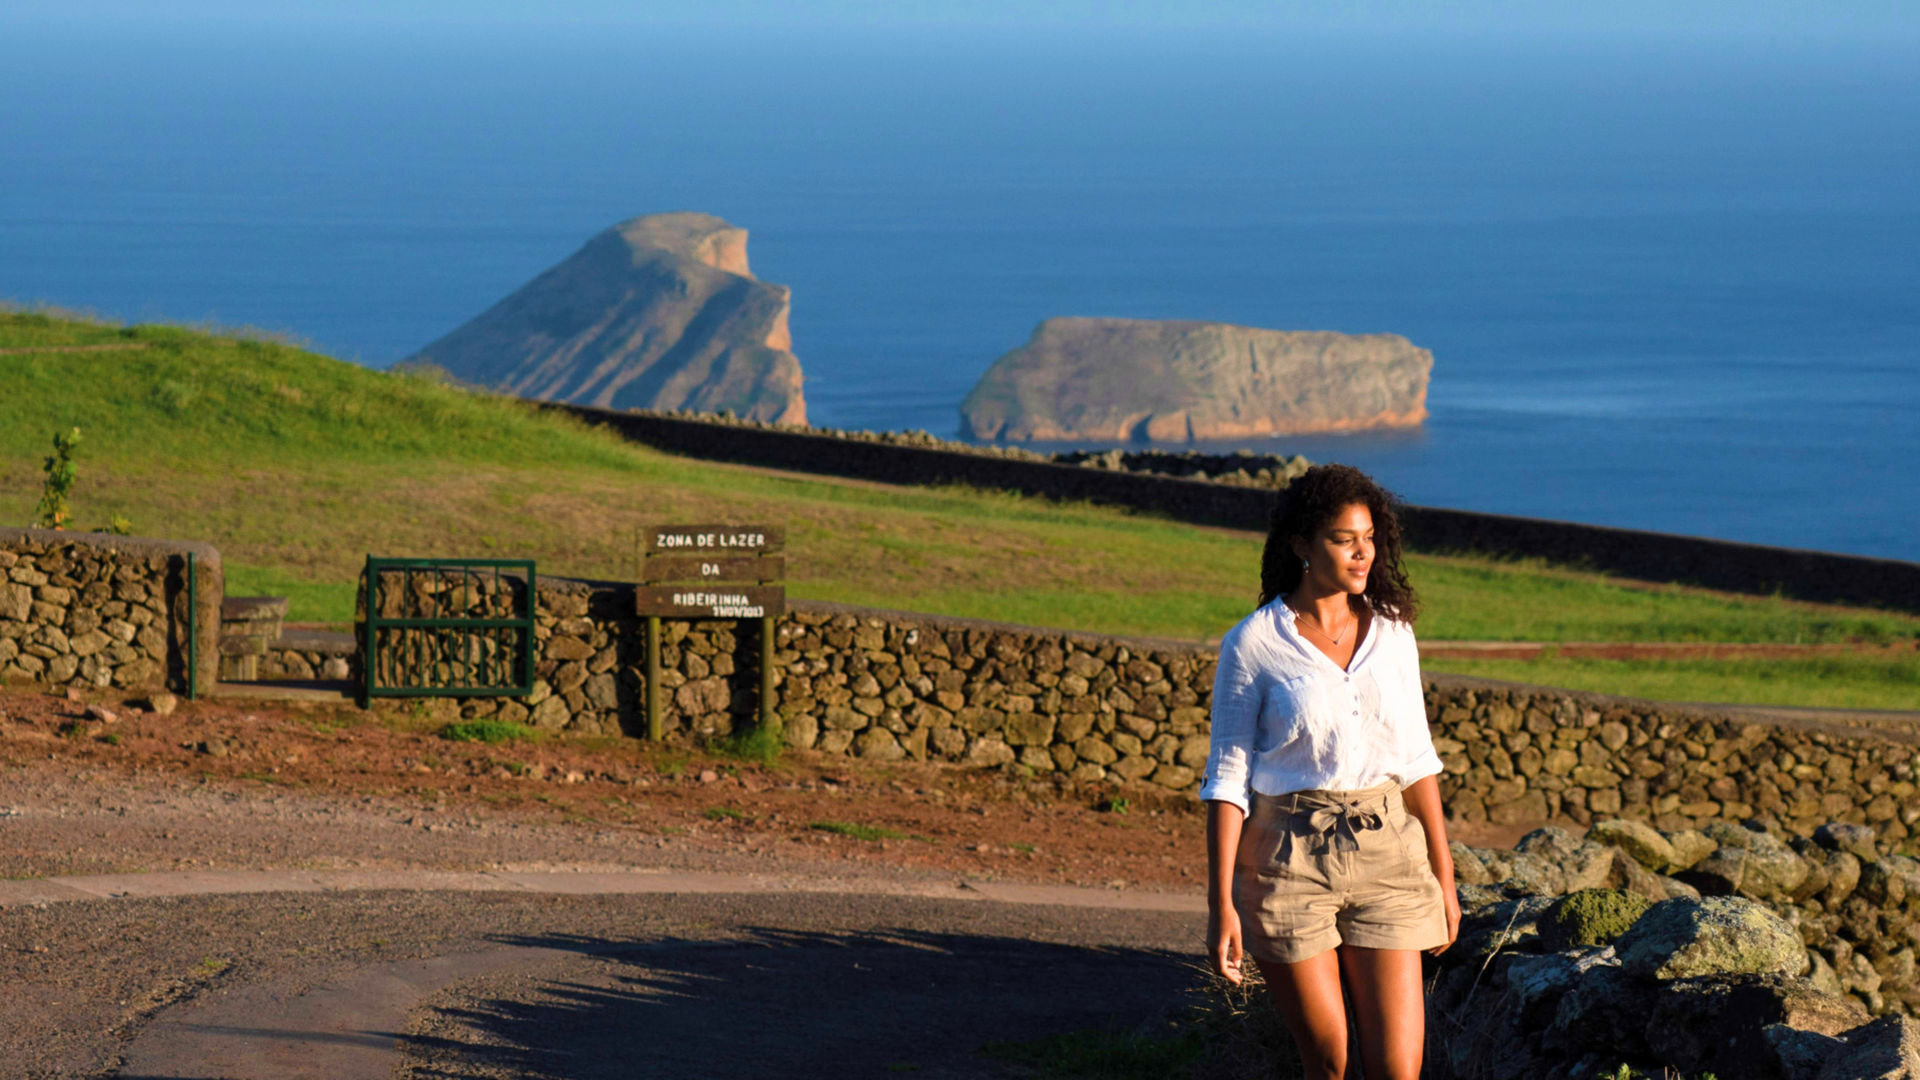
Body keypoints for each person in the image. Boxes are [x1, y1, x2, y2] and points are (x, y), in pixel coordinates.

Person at [1200, 463, 1460, 1080]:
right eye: (1345, 539)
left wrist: (1444, 877)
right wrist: (1221, 904)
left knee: (1399, 1068)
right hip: (1286, 860)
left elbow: (1416, 759)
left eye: (1369, 537)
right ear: (1303, 546)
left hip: (1388, 853)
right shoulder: (1253, 644)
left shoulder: (1393, 633)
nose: (1363, 552)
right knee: (1328, 1060)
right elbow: (1227, 781)